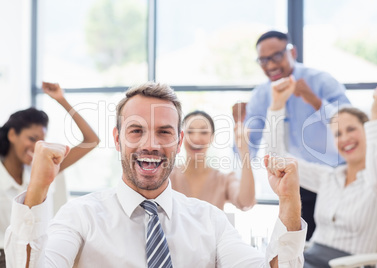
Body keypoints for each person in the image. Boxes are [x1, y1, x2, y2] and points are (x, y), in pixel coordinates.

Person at [5, 82, 306, 267]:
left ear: (178, 142)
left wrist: (290, 204)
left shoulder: (210, 222)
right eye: (136, 131)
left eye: (164, 132)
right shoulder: (79, 216)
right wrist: (36, 193)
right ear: (118, 138)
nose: (150, 144)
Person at [265, 81, 377, 268]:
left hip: (349, 264)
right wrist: (277, 105)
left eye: (351, 129)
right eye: (338, 134)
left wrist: (376, 113)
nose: (345, 138)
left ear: (368, 132)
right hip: (309, 258)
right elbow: (276, 157)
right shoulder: (329, 177)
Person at [242, 30, 350, 240]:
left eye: (276, 57)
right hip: (298, 183)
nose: (271, 65)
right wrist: (240, 182)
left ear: (292, 51)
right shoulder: (261, 96)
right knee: (299, 246)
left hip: (336, 178)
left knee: (336, 245)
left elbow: (350, 123)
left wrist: (314, 99)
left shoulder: (321, 81)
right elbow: (250, 143)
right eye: (263, 60)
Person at [0, 82, 99, 268]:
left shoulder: (41, 169)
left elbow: (91, 140)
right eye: (31, 139)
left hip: (38, 254)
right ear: (12, 135)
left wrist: (62, 100)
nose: (37, 147)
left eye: (41, 141)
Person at [170, 110, 255, 210]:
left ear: (212, 137)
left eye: (204, 132)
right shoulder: (168, 177)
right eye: (190, 132)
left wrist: (244, 150)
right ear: (181, 137)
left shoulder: (223, 180)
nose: (196, 138)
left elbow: (246, 202)